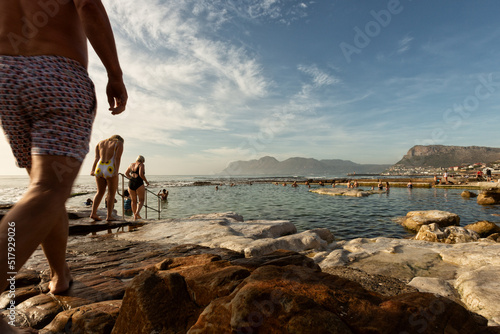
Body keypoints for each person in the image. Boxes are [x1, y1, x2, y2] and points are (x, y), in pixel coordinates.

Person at [0, 1, 127, 332]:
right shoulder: (117, 144)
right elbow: (88, 5)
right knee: (47, 190)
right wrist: (115, 75)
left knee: (44, 193)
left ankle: (60, 275)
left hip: (6, 76)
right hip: (56, 72)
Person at [89, 135, 124, 221]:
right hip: (110, 167)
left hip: (99, 167)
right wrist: (116, 170)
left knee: (99, 192)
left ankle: (93, 213)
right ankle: (109, 216)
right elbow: (117, 158)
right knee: (111, 194)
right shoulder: (118, 143)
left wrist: (92, 170)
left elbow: (96, 158)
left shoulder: (100, 143)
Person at [125, 155, 150, 220]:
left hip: (131, 183)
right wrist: (146, 182)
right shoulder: (141, 165)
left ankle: (135, 216)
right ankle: (137, 213)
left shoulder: (131, 165)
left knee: (133, 201)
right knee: (141, 200)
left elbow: (126, 173)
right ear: (142, 160)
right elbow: (141, 174)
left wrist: (131, 178)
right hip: (139, 183)